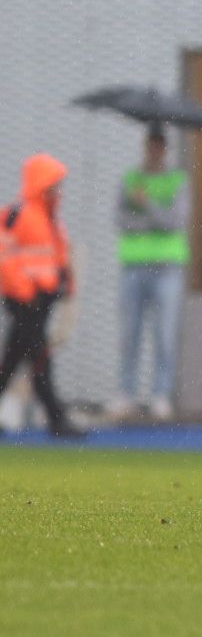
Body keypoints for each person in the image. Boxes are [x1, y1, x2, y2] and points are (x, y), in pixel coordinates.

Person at [0, 154, 84, 439]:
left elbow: (57, 255)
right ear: (41, 184)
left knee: (14, 359)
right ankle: (56, 418)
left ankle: (56, 418)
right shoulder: (18, 214)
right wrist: (25, 292)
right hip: (25, 302)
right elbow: (5, 257)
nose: (59, 191)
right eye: (54, 185)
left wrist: (65, 283)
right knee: (39, 359)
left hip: (42, 301)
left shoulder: (50, 217)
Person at [112, 124, 191, 422]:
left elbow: (175, 221)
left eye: (159, 145)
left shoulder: (177, 180)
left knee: (164, 334)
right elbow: (121, 219)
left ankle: (161, 395)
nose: (154, 150)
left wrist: (146, 205)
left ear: (165, 149)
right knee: (129, 333)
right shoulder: (130, 179)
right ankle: (126, 393)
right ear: (145, 147)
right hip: (133, 265)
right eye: (150, 145)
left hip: (167, 267)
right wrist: (151, 221)